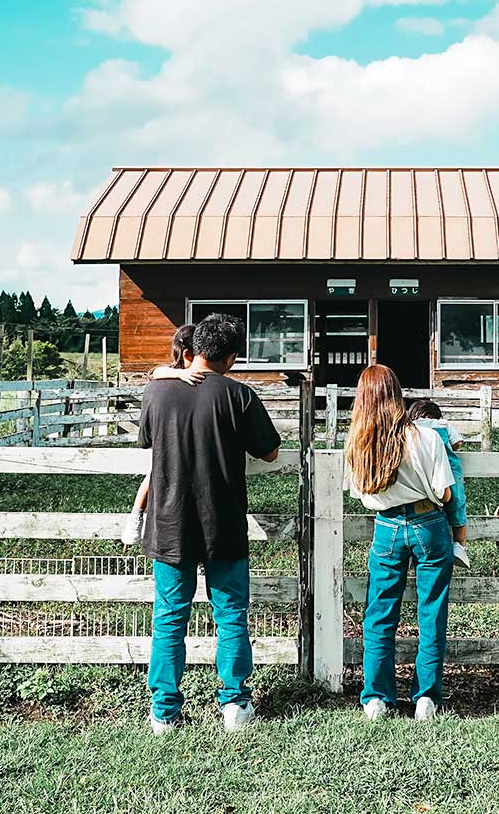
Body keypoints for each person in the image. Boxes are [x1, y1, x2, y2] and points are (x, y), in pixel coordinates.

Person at [136, 313, 282, 733]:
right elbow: (270, 451)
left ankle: (164, 711)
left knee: (169, 617)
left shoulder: (156, 392)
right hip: (223, 523)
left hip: (169, 522)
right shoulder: (239, 395)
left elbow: (146, 440)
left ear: (194, 347)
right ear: (231, 357)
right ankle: (235, 703)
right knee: (231, 614)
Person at [347, 364, 455, 722]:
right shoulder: (427, 437)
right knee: (431, 611)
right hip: (428, 523)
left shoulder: (359, 442)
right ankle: (425, 698)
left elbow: (359, 492)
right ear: (397, 394)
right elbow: (444, 492)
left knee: (379, 613)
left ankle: (377, 697)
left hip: (387, 526)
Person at [123, 324, 202, 548]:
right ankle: (136, 516)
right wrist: (181, 373)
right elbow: (154, 372)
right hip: (171, 435)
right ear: (187, 354)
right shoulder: (172, 372)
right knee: (153, 474)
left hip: (182, 430)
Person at [404, 399, 471, 568]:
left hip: (419, 472)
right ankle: (459, 545)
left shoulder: (408, 427)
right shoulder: (443, 424)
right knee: (457, 504)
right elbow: (457, 443)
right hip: (449, 470)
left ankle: (414, 550)